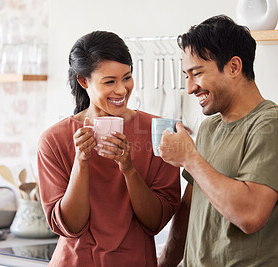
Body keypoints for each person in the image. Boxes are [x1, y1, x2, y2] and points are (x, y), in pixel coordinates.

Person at [158, 15, 278, 267]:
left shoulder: (273, 126)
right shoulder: (209, 128)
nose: (190, 87)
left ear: (234, 67)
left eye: (197, 73)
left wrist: (189, 158)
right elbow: (188, 208)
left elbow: (250, 215)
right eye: (186, 76)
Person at [37, 31, 180, 266]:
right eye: (109, 82)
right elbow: (71, 226)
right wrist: (81, 161)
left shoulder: (160, 131)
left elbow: (156, 222)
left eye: (127, 77)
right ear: (84, 82)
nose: (122, 90)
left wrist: (128, 168)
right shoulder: (54, 140)